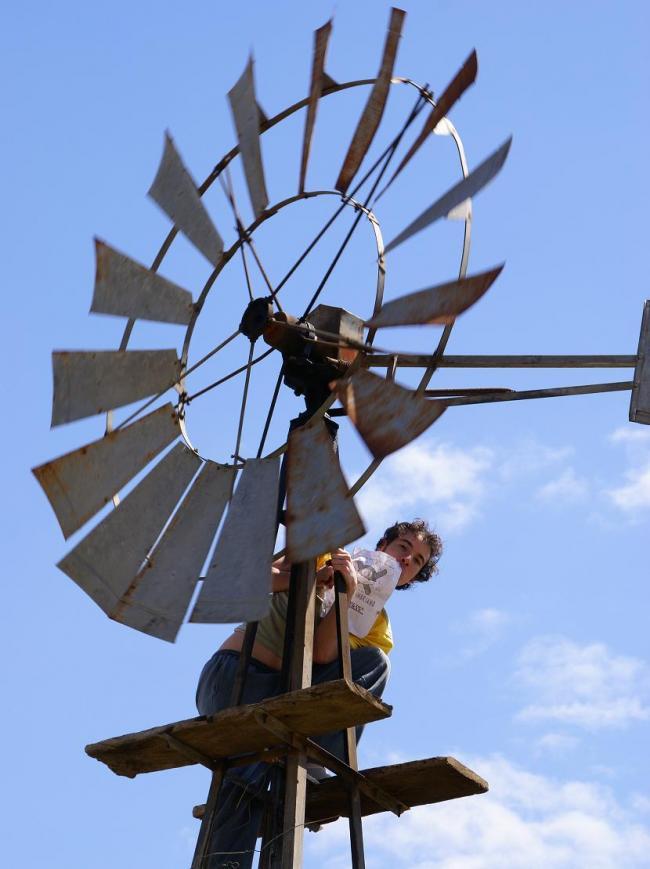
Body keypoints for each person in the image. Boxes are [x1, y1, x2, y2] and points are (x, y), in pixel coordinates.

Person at [195, 519, 442, 868]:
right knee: (245, 780)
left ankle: (313, 760)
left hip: (284, 696)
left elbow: (324, 655)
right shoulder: (325, 555)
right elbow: (256, 578)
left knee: (374, 662)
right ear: (384, 545)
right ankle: (224, 864)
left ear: (413, 578)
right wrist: (313, 577)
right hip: (238, 678)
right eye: (404, 547)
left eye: (417, 561)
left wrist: (347, 594)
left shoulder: (377, 626)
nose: (406, 560)